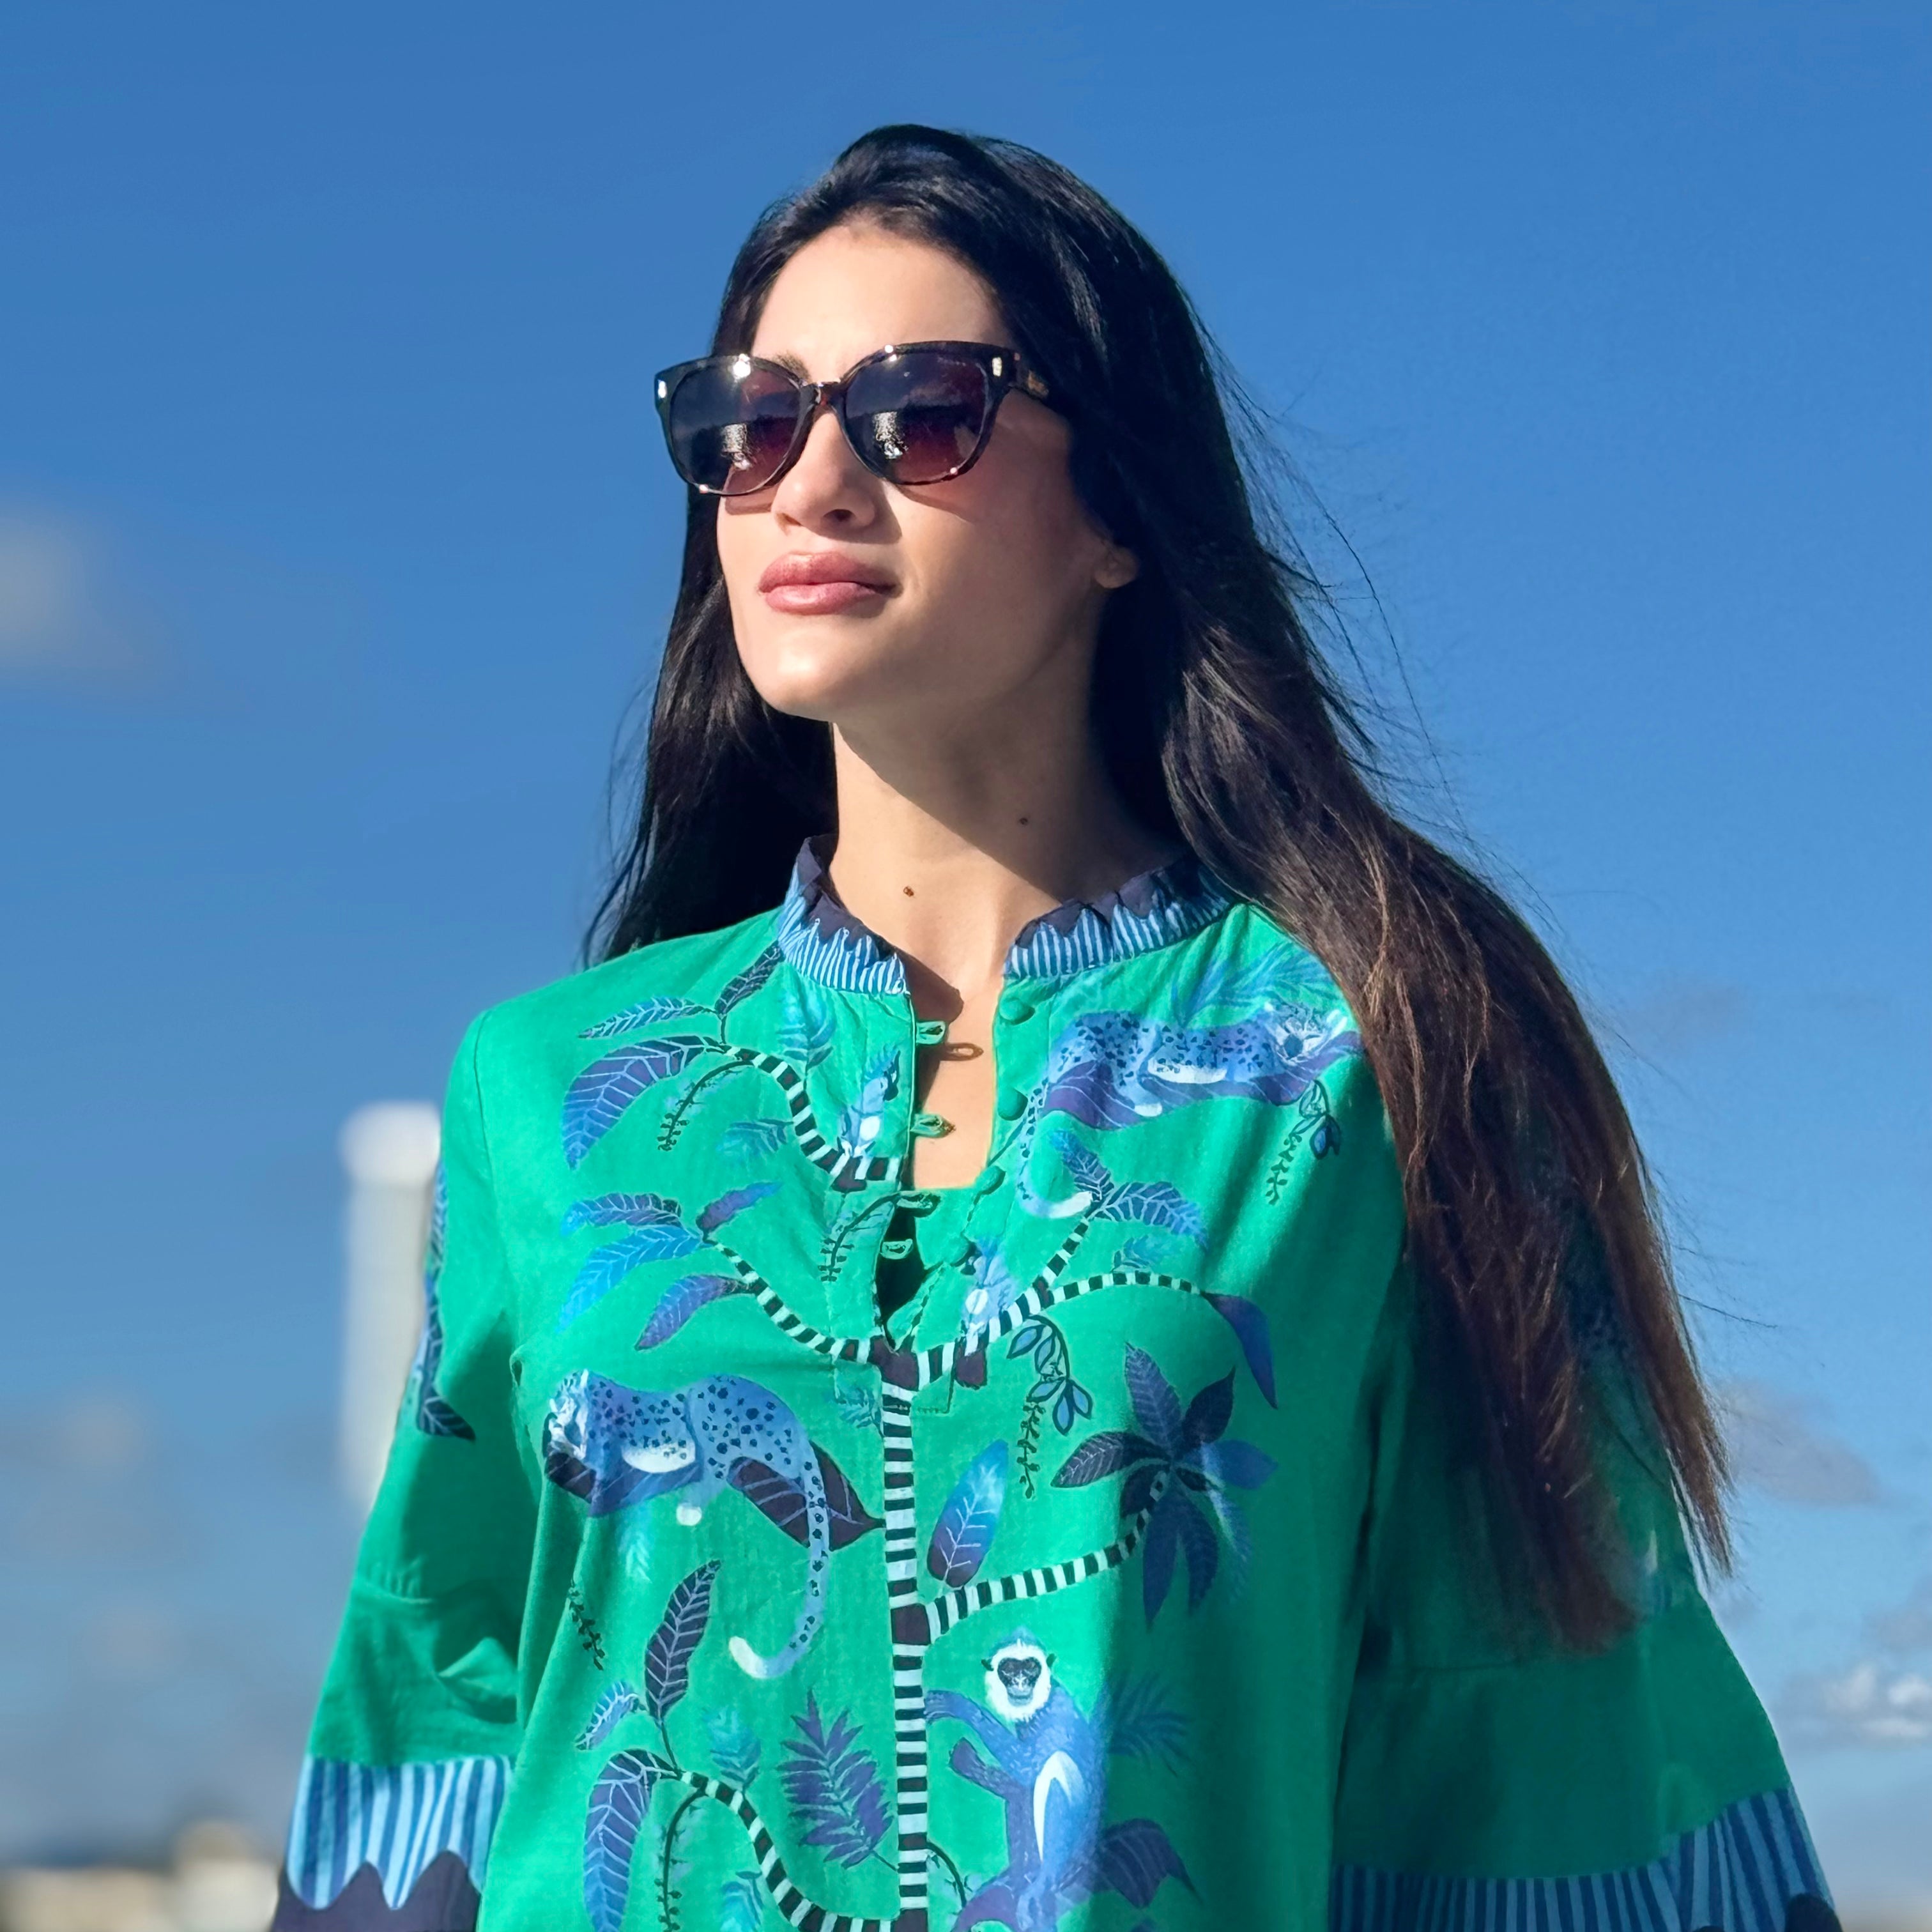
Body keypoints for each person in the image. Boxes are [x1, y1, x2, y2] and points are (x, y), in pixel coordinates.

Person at [270, 125, 1837, 1932]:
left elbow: (1542, 1721)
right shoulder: (550, 1093)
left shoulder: (1368, 1046)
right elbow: (441, 1702)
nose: (810, 484)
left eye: (919, 410)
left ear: (1117, 512)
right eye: (750, 423)